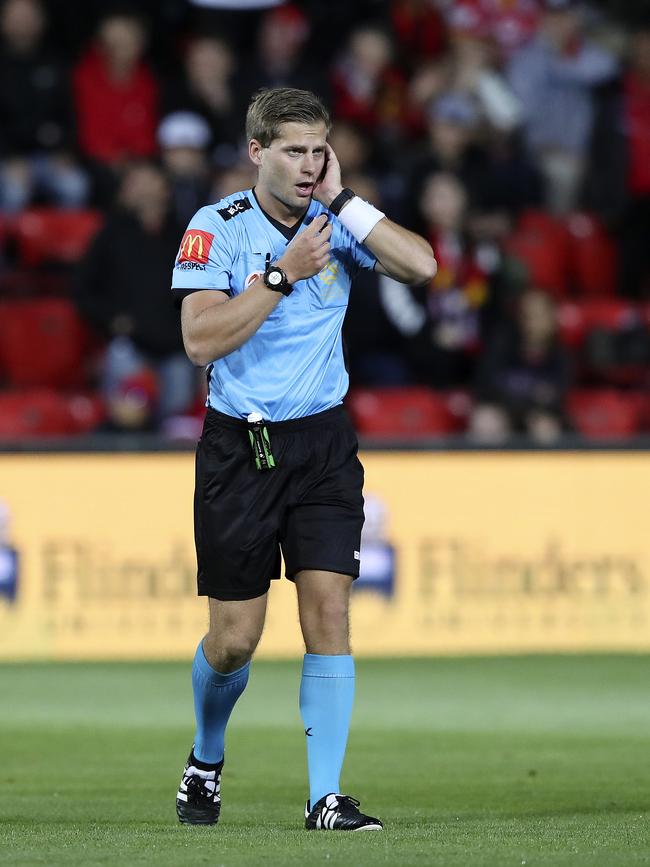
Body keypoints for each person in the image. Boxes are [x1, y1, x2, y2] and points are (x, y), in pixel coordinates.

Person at [171, 86, 436, 831]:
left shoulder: (336, 219)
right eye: (293, 150)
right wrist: (282, 274)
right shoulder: (214, 227)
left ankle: (325, 797)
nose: (309, 164)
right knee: (233, 641)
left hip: (323, 443)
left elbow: (421, 265)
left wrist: (348, 200)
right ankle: (207, 752)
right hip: (241, 445)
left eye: (319, 150)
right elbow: (199, 341)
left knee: (328, 610)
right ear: (257, 152)